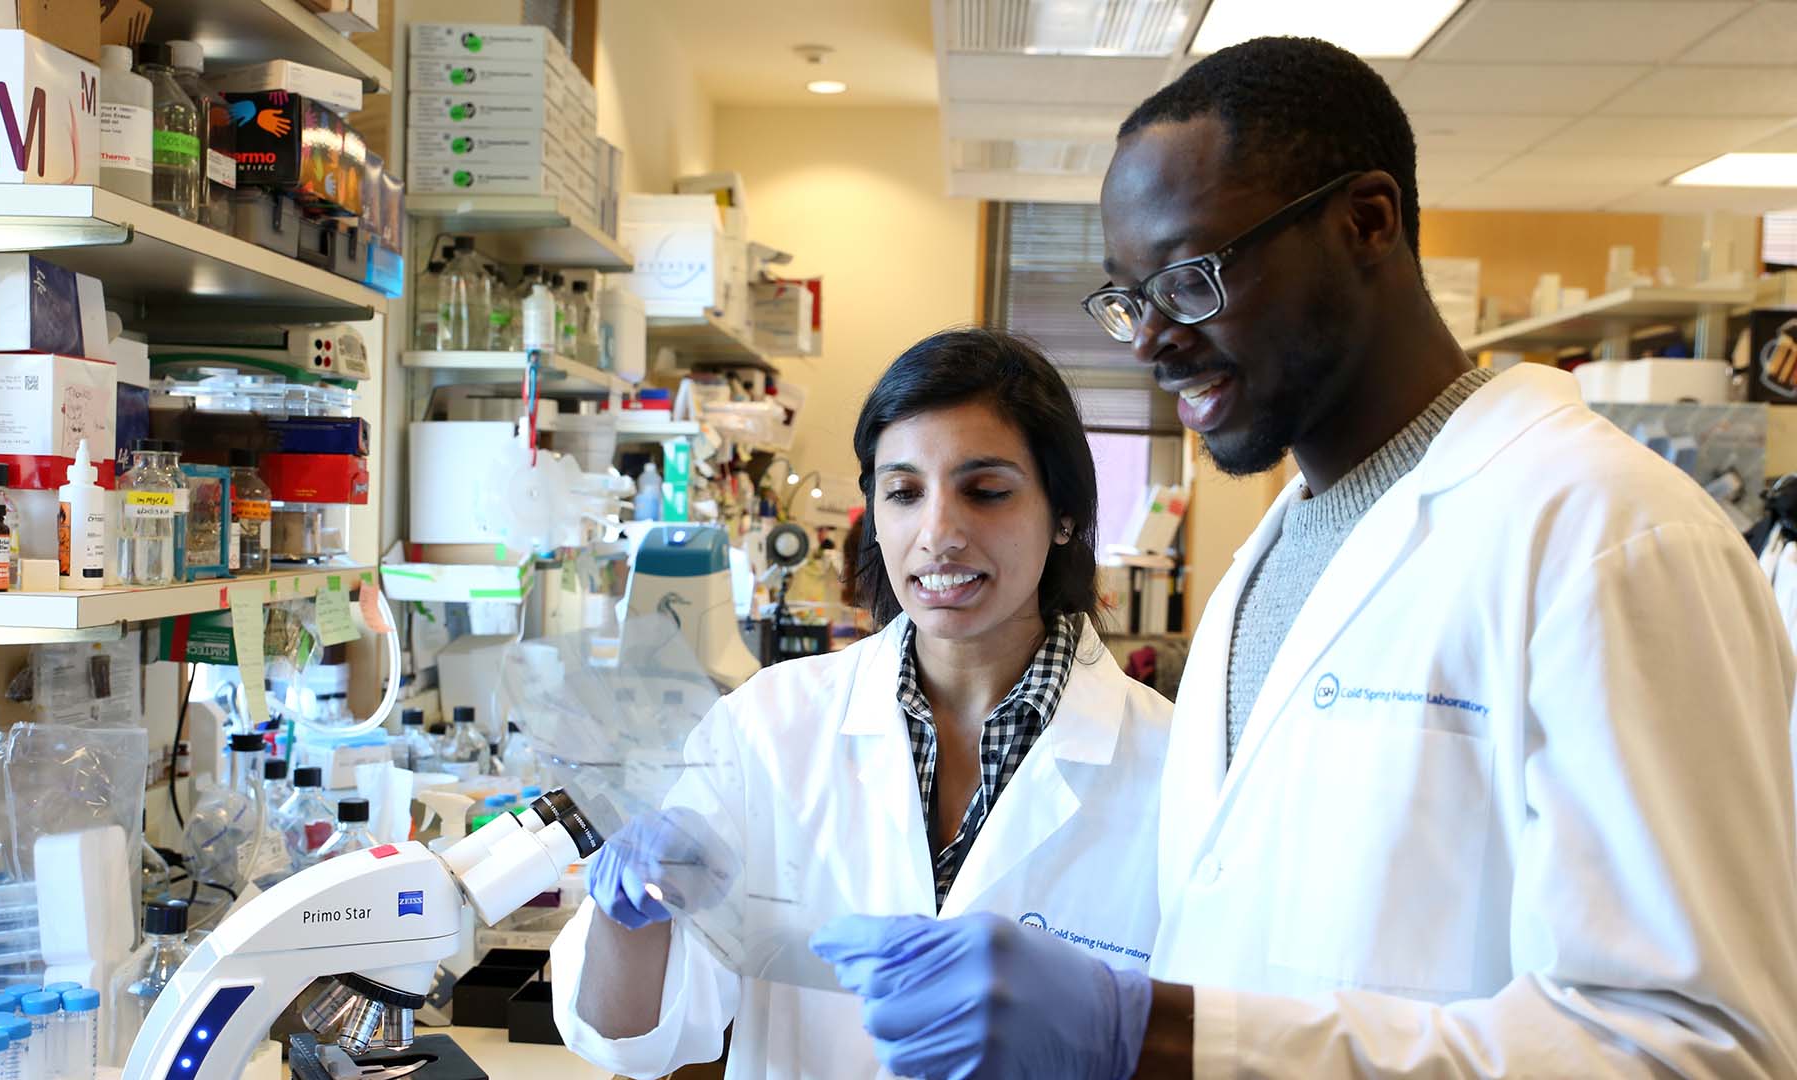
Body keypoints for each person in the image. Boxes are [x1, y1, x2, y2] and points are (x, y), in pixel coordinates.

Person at [813, 36, 1797, 1078]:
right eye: (1128, 297)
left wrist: (1155, 1037)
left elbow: (1699, 1049)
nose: (1148, 340)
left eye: (1189, 278)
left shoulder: (1612, 534)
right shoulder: (1266, 568)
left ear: (1365, 223)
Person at [550, 328, 1174, 1078]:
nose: (938, 534)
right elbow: (632, 1038)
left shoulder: (1173, 763)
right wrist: (627, 915)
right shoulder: (769, 726)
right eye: (904, 493)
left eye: (986, 490)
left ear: (1065, 514)